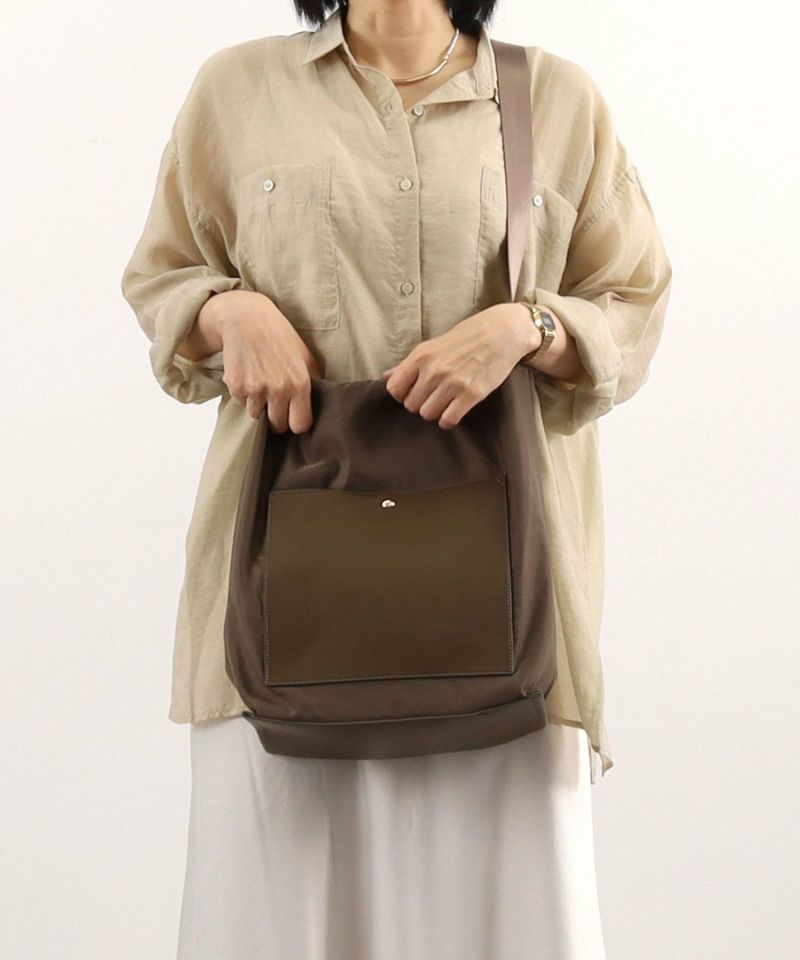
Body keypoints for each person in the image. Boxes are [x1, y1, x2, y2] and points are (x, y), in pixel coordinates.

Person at [120, 1, 672, 957]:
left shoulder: (555, 99)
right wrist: (227, 311)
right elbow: (163, 275)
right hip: (284, 589)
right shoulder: (238, 89)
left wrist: (527, 326)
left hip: (506, 594)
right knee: (276, 907)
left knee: (505, 911)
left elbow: (632, 298)